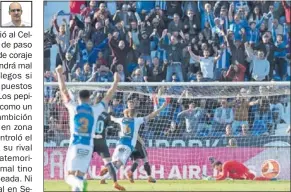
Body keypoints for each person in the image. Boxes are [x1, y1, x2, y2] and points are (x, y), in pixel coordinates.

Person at [55, 65, 120, 191]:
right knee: (79, 175)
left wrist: (59, 74)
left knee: (68, 177)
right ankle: (80, 185)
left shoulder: (73, 108)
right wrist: (116, 81)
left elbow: (63, 90)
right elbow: (108, 95)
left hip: (75, 145)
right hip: (88, 146)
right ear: (89, 98)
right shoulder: (95, 110)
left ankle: (80, 184)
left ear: (78, 98)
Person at [106, 102, 168, 191]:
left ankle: (123, 174)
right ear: (134, 113)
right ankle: (149, 176)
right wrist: (162, 107)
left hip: (122, 142)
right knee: (145, 158)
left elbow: (112, 118)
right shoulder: (137, 120)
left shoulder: (122, 119)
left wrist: (107, 110)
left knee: (135, 160)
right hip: (134, 143)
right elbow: (151, 115)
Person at [207, 158, 276, 181]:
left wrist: (215, 179)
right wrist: (213, 177)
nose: (217, 170)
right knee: (230, 176)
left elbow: (223, 176)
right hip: (240, 173)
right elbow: (221, 175)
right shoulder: (224, 167)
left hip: (244, 172)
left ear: (220, 165)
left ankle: (271, 179)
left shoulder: (225, 165)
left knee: (253, 179)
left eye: (217, 168)